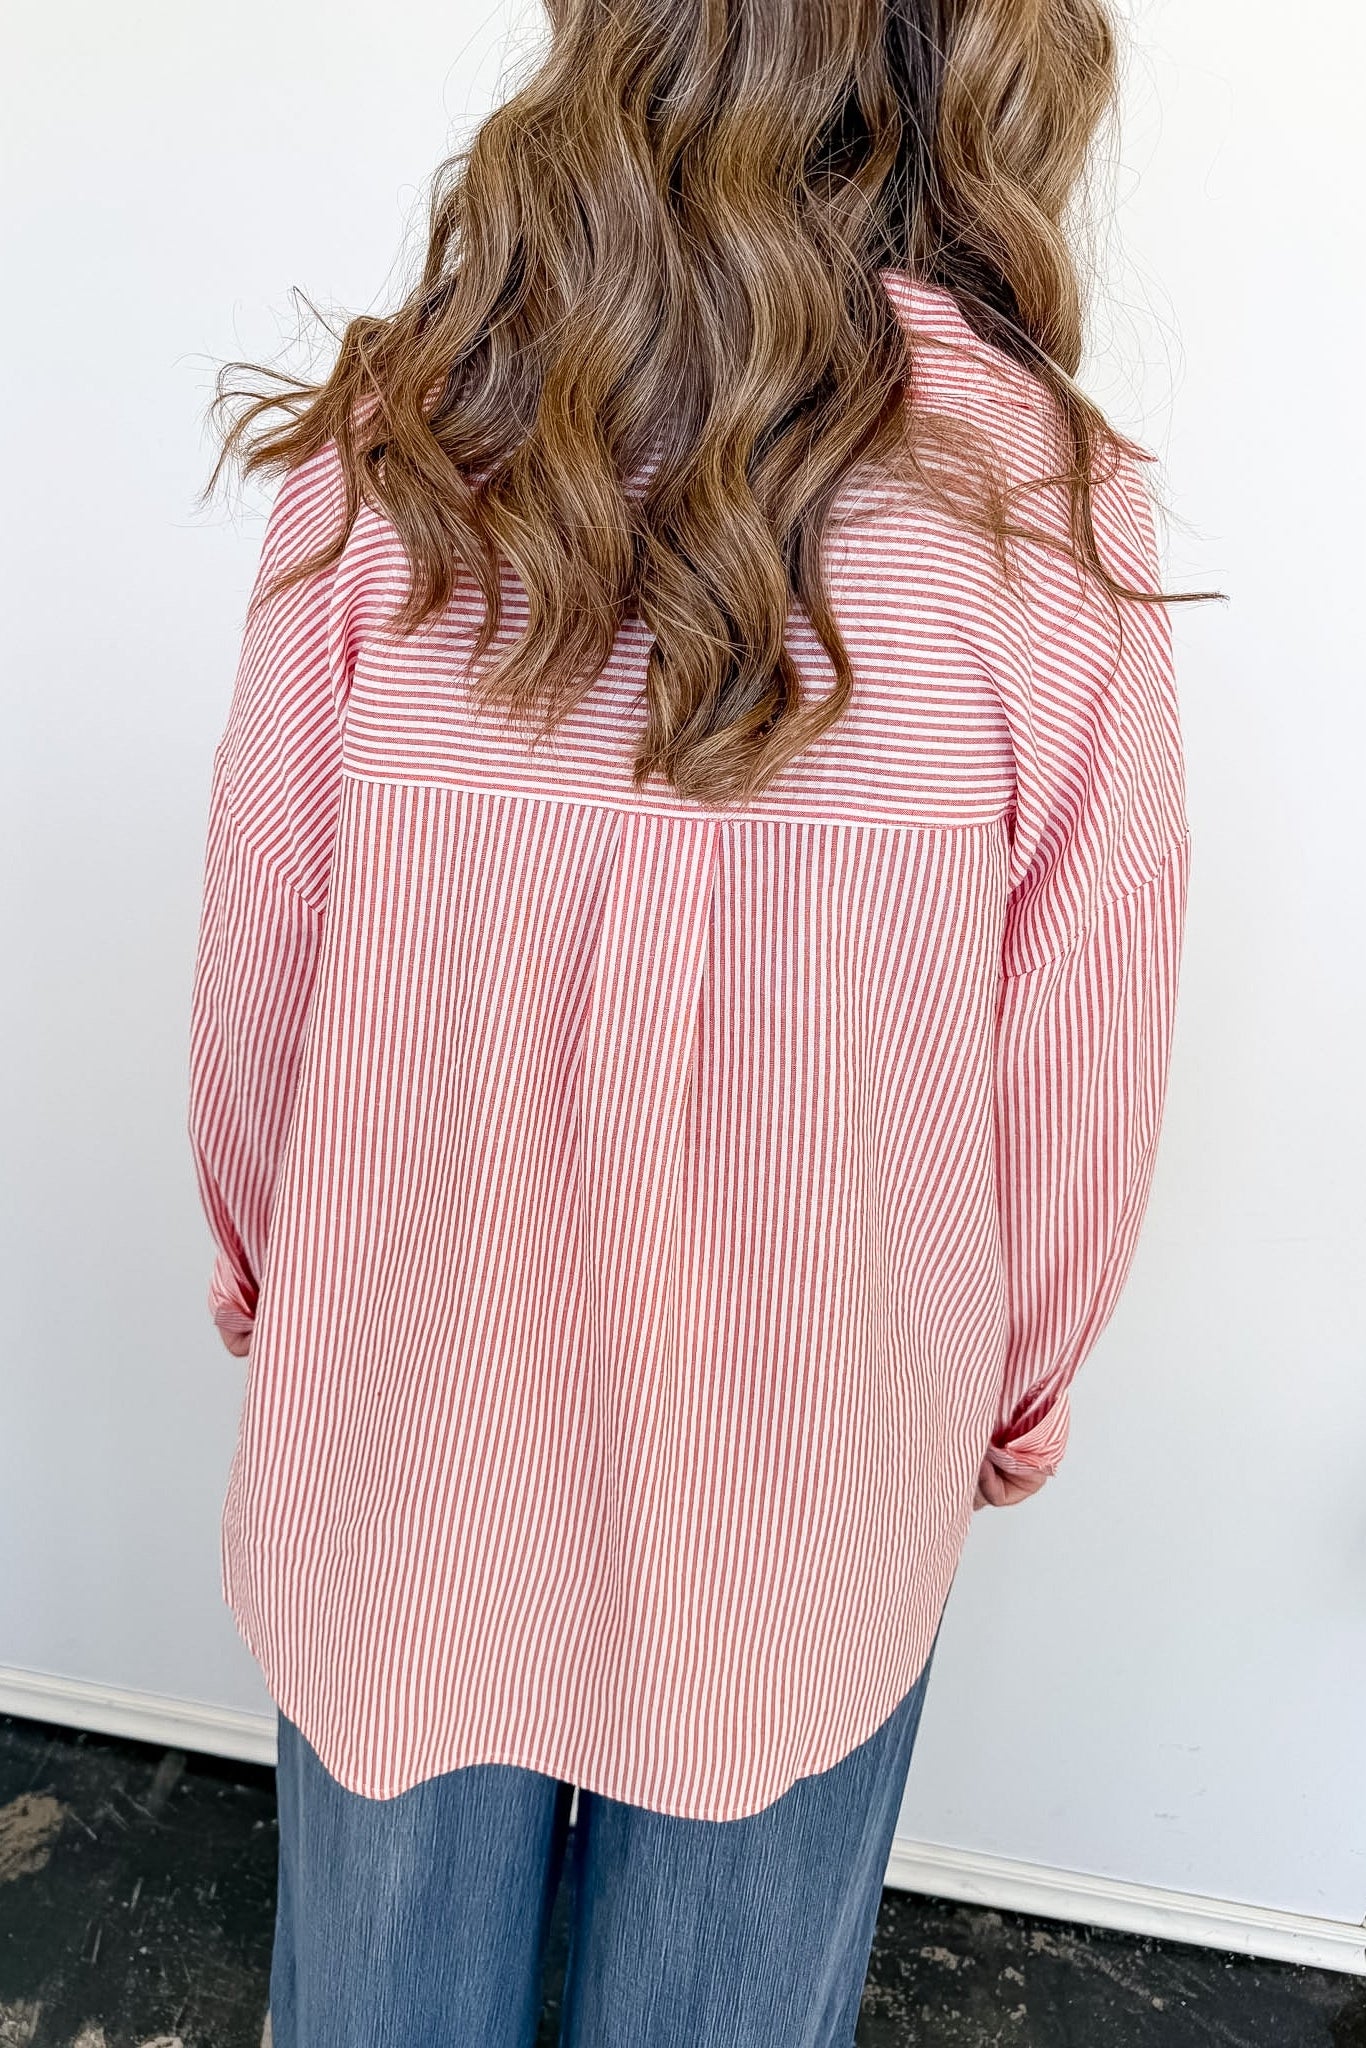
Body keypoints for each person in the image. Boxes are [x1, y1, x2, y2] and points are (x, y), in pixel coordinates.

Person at [186, 0, 1204, 2039]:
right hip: (821, 1442)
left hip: (408, 1386)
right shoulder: (1047, 513)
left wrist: (267, 1273)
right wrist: (1005, 1389)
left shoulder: (393, 452)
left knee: (377, 2003)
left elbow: (259, 947)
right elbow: (1072, 1039)